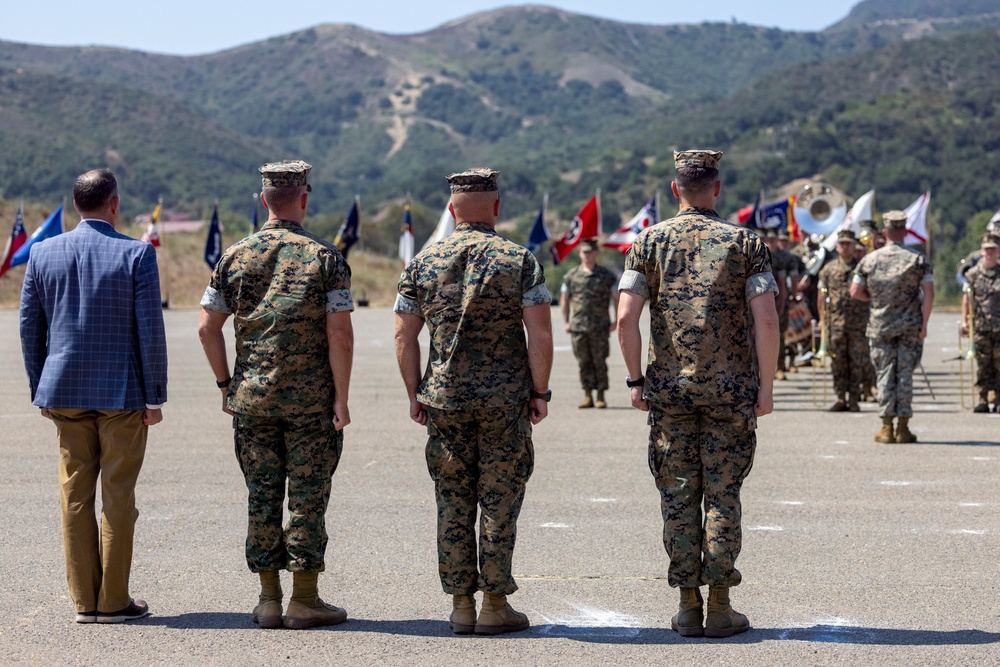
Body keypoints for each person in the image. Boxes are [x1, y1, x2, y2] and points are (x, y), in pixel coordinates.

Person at [617, 150, 779, 639]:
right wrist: (766, 387)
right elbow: (767, 319)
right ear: (718, 188)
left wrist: (634, 380)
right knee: (723, 494)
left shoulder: (648, 242)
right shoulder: (746, 243)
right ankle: (720, 605)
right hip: (731, 392)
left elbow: (625, 319)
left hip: (670, 393)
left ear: (675, 189)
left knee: (679, 495)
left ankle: (688, 605)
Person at [394, 168, 553, 636]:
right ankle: (494, 604)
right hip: (504, 401)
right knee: (500, 500)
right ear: (497, 207)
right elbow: (539, 334)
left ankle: (462, 604)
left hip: (445, 401)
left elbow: (404, 336)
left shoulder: (423, 262)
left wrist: (414, 392)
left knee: (453, 499)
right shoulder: (519, 260)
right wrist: (539, 391)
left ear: (451, 209)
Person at [198, 160, 354, 630]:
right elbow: (340, 336)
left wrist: (226, 385)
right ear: (304, 198)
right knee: (307, 496)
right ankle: (305, 599)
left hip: (253, 400)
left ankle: (268, 600)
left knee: (261, 494)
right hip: (312, 404)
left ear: (264, 200)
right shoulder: (326, 259)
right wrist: (341, 398)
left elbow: (207, 329)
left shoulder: (235, 256)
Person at [19, 168, 167, 624]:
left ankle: (85, 601)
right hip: (122, 394)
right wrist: (154, 395)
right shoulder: (137, 254)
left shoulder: (43, 253)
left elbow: (30, 327)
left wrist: (39, 386)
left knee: (74, 496)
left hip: (63, 390)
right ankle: (114, 600)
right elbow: (150, 331)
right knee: (118, 497)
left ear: (78, 203)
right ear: (114, 204)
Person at [851, 210, 934, 443]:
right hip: (910, 326)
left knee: (885, 374)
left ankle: (886, 427)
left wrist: (877, 300)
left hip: (880, 325)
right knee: (905, 373)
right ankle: (904, 428)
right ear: (905, 232)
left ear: (885, 232)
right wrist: (924, 324)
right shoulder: (918, 260)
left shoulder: (869, 260)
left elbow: (855, 292)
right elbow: (929, 294)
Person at [560, 238, 619, 408]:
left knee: (599, 360)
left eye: (589, 252)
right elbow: (565, 299)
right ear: (580, 253)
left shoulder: (606, 275)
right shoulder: (571, 276)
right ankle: (587, 394)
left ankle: (600, 395)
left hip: (600, 326)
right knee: (583, 361)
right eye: (583, 252)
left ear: (596, 253)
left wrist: (616, 320)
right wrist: (566, 321)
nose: (586, 255)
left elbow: (616, 298)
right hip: (578, 325)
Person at [817, 229, 871, 411]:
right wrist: (822, 320)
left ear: (854, 246)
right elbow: (821, 296)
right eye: (842, 244)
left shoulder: (862, 268)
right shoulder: (828, 269)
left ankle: (854, 398)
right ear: (837, 246)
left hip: (858, 323)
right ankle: (840, 397)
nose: (846, 247)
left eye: (849, 243)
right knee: (838, 362)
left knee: (857, 362)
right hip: (836, 323)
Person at [961, 233, 1000, 413]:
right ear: (982, 251)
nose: (989, 252)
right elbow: (967, 299)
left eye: (993, 249)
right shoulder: (973, 274)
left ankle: (999, 398)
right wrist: (964, 321)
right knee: (983, 364)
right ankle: (983, 398)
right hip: (981, 327)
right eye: (987, 249)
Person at [762, 229, 791, 380]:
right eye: (769, 239)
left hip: (776, 302)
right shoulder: (759, 255)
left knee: (778, 337)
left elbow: (782, 285)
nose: (772, 241)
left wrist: (782, 305)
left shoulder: (778, 260)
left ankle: (780, 367)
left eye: (774, 239)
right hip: (760, 303)